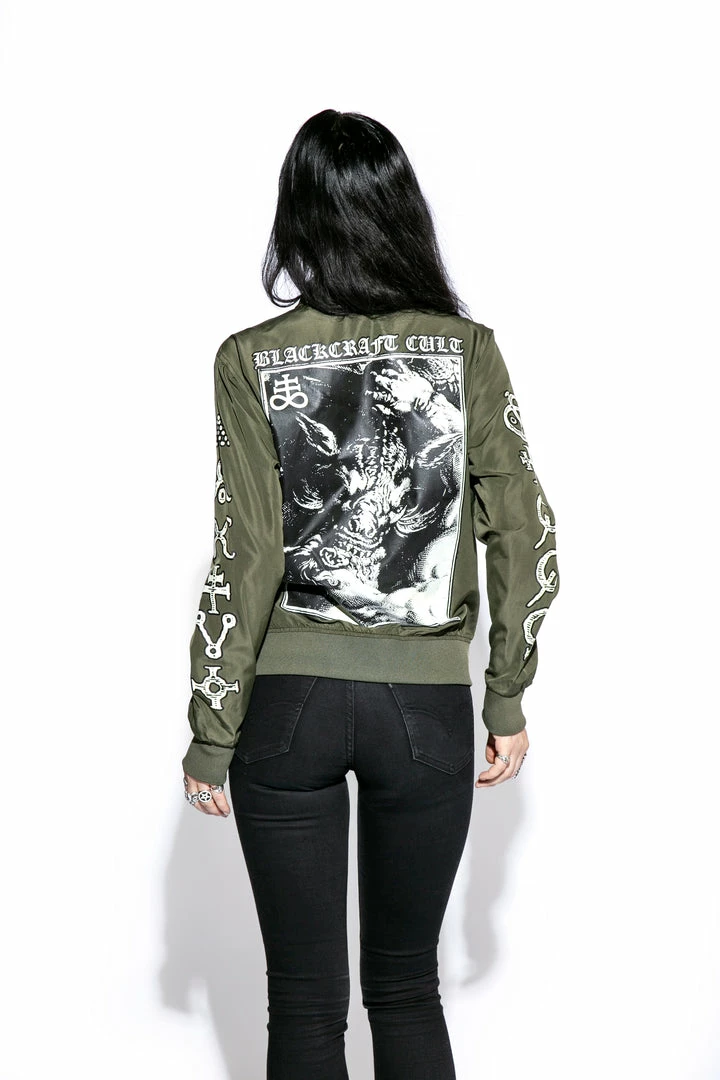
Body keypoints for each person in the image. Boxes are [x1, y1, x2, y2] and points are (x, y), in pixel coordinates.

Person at [181, 108, 560, 1080]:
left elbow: (244, 553)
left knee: (303, 1006)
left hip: (288, 711)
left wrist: (212, 729)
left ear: (297, 216)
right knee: (405, 988)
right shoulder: (466, 350)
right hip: (423, 711)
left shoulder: (249, 356)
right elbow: (524, 528)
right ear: (402, 212)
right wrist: (506, 695)